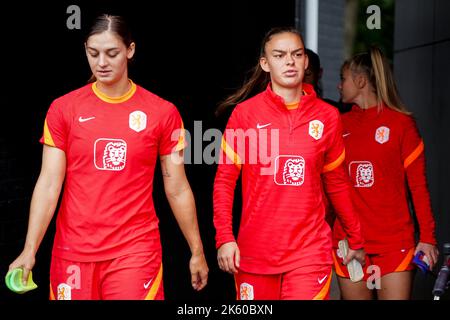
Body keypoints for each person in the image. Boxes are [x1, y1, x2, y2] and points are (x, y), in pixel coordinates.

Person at [8, 14, 208, 300]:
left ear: (130, 50)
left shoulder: (162, 112)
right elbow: (49, 184)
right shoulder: (64, 109)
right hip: (73, 250)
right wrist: (30, 249)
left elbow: (176, 187)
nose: (101, 62)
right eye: (93, 53)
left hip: (135, 250)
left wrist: (197, 250)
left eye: (112, 53)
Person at [213, 27, 365, 300]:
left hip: (309, 252)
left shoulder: (328, 116)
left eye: (297, 54)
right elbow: (225, 180)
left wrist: (355, 237)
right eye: (280, 55)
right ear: (265, 64)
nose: (290, 61)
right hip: (255, 252)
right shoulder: (245, 114)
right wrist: (224, 238)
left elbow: (337, 182)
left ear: (306, 62)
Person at [333, 46, 439, 300]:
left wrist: (427, 237)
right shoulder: (337, 125)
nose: (339, 86)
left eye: (343, 79)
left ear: (360, 81)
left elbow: (418, 187)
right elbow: (330, 186)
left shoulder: (402, 124)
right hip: (349, 242)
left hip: (394, 243)